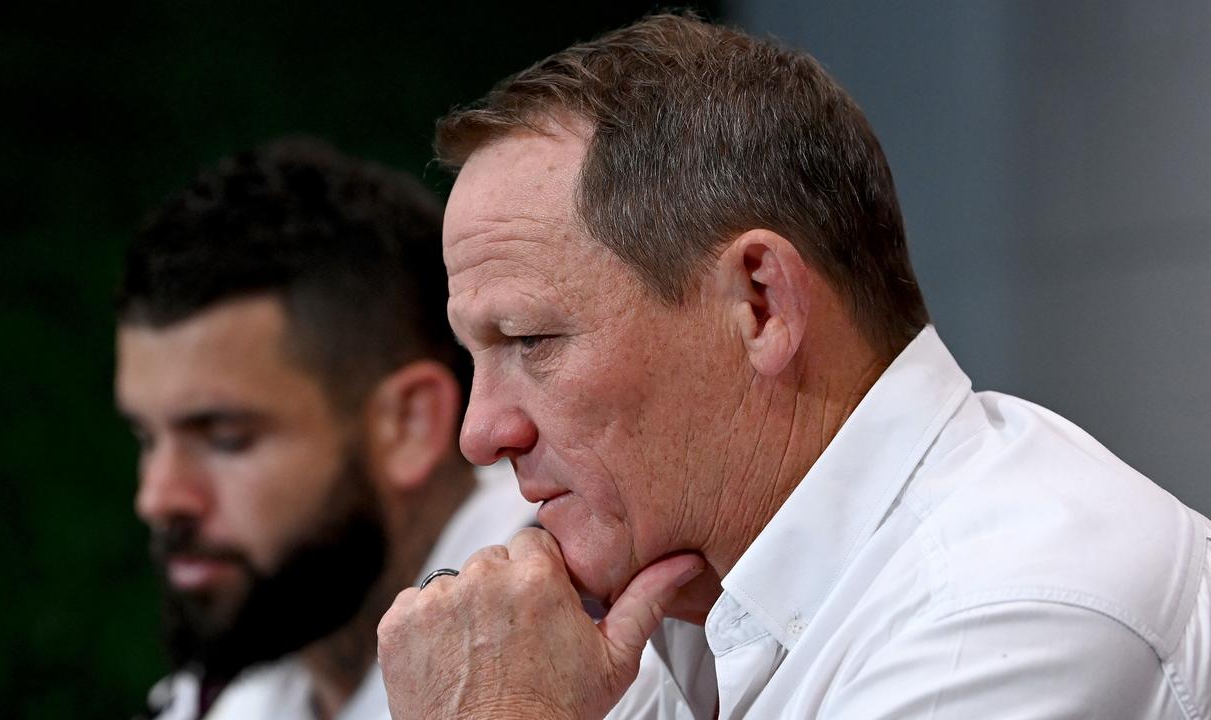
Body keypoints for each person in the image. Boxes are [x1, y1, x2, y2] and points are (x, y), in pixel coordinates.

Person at [375, 14, 1211, 719]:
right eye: (478, 352)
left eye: (530, 342)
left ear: (761, 304)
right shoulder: (672, 599)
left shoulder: (1009, 618)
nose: (481, 434)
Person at [114, 138, 533, 720]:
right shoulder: (226, 692)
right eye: (147, 437)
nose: (158, 497)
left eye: (226, 438)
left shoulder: (624, 659)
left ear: (408, 424)